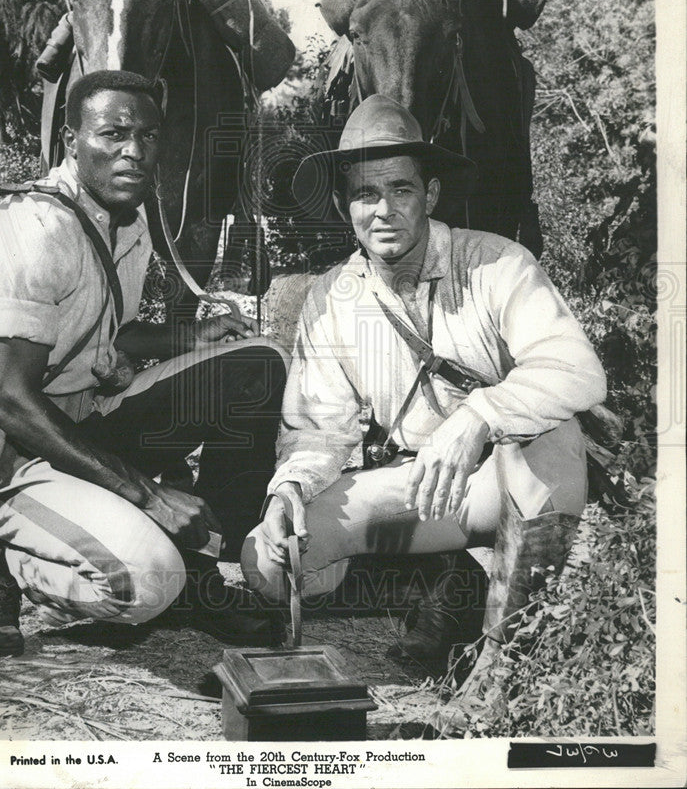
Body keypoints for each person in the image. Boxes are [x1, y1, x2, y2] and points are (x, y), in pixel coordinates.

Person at [241, 94, 606, 713]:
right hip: (419, 491)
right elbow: (318, 432)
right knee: (269, 563)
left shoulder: (495, 262)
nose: (383, 211)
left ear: (430, 195)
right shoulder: (332, 296)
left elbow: (577, 368)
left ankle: (504, 664)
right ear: (343, 205)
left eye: (401, 190)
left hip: (504, 479)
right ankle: (450, 578)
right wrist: (289, 492)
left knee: (553, 437)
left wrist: (478, 418)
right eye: (365, 194)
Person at [0, 69, 287, 656]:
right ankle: (11, 556)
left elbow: (105, 333)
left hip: (82, 416)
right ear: (70, 141)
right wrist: (148, 497)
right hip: (6, 445)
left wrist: (192, 335)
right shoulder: (34, 228)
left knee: (260, 362)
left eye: (149, 136)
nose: (135, 151)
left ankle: (204, 563)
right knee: (145, 582)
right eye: (113, 134)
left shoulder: (126, 212)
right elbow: (8, 398)